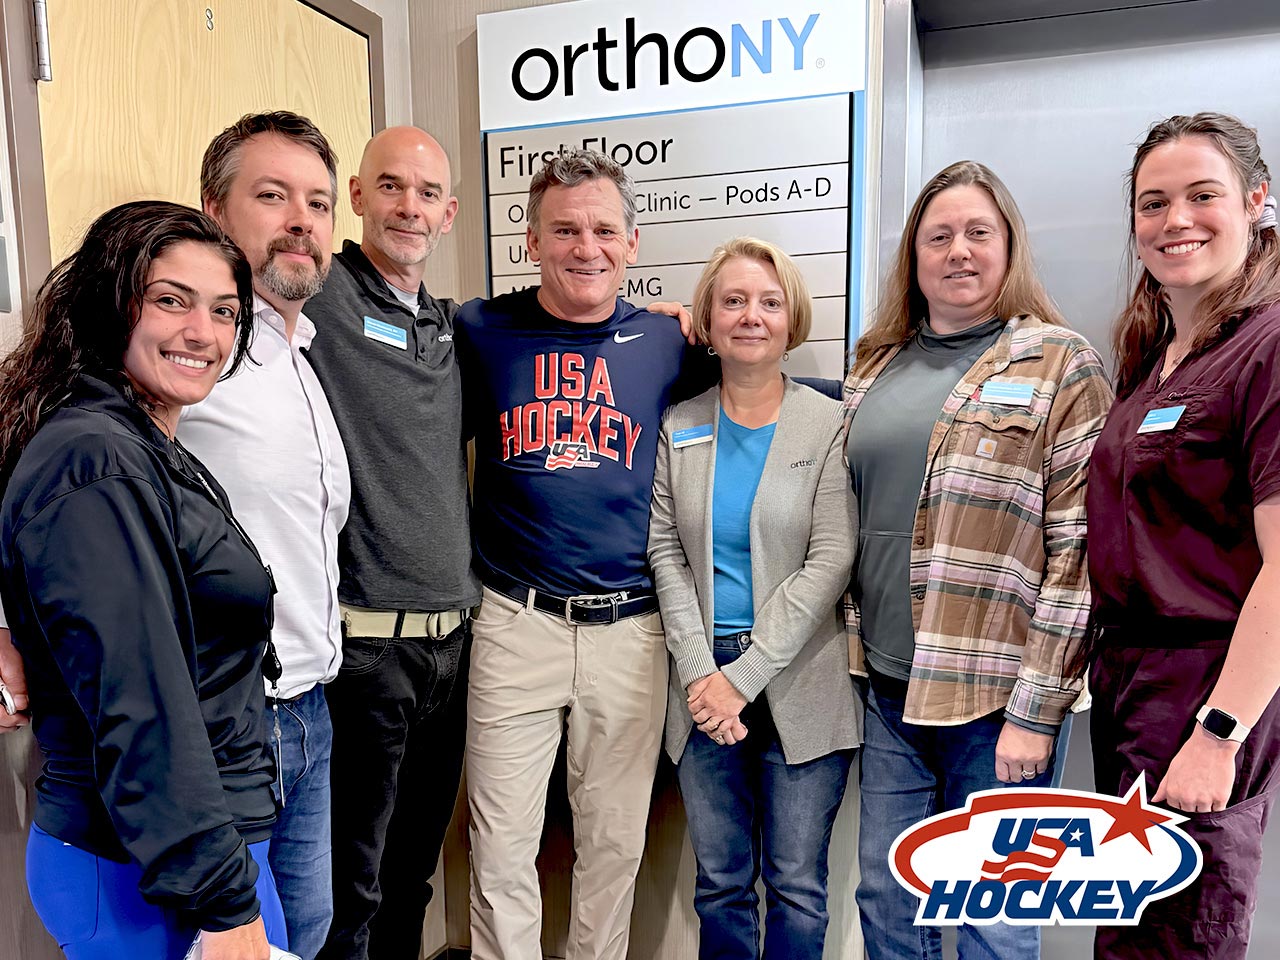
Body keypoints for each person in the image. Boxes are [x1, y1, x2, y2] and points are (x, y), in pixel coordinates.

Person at [0, 201, 286, 959]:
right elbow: (143, 706)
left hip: (195, 848)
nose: (203, 332)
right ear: (110, 304)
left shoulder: (136, 443)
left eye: (225, 310)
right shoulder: (97, 461)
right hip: (149, 873)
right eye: (170, 300)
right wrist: (225, 906)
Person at [844, 160, 1112, 959]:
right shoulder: (874, 364)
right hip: (889, 685)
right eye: (939, 236)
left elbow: (1081, 551)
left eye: (977, 233)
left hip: (997, 703)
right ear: (914, 257)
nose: (958, 251)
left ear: (1008, 247)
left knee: (993, 921)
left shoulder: (1062, 362)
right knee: (887, 905)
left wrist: (1038, 710)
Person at [455, 148, 714, 960]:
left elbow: (762, 384)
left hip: (631, 631)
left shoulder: (670, 342)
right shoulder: (479, 330)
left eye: (604, 229)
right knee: (499, 847)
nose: (585, 247)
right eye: (564, 229)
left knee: (612, 849)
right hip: (513, 621)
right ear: (530, 241)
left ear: (633, 244)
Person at [1087, 112, 1280, 959]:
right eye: (1153, 203)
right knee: (1133, 934)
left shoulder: (1268, 347)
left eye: (1202, 196)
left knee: (1183, 936)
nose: (1176, 222)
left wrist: (1219, 733)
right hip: (1132, 692)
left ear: (1256, 201)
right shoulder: (1157, 358)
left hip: (1205, 694)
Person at [647, 237, 859, 959]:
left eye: (769, 302)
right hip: (701, 682)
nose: (751, 316)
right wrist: (703, 672)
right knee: (721, 882)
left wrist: (741, 679)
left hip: (800, 680)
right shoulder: (679, 422)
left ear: (791, 318)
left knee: (797, 882)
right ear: (706, 318)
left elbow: (831, 560)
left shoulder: (827, 423)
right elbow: (665, 552)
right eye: (733, 300)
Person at [303, 127, 480, 960]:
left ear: (449, 213)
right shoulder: (321, 298)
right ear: (358, 196)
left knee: (412, 872)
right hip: (368, 653)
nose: (409, 206)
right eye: (391, 186)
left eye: (426, 193)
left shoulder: (450, 328)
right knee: (354, 886)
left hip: (454, 650)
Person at [182, 111, 352, 960]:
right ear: (214, 212)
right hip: (227, 721)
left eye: (318, 204)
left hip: (312, 710)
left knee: (307, 936)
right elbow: (47, 456)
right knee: (234, 949)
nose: (302, 221)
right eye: (273, 195)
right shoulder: (189, 349)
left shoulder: (303, 354)